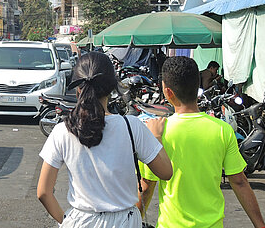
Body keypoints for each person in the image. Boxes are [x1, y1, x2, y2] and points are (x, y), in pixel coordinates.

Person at [37, 52, 173, 227]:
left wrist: (66, 222)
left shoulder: (63, 130)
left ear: (78, 88)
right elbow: (166, 172)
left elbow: (43, 192)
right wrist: (156, 137)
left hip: (81, 220)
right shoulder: (132, 126)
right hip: (125, 221)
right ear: (112, 88)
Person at [140, 56, 265, 228]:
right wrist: (261, 225)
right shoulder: (222, 130)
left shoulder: (158, 132)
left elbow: (146, 188)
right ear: (197, 87)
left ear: (168, 92)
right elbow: (239, 182)